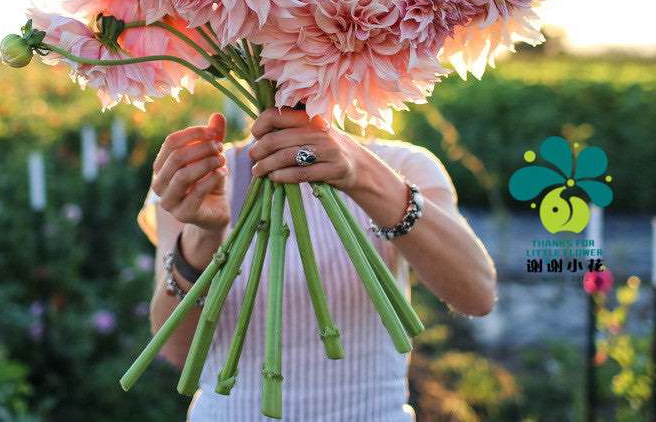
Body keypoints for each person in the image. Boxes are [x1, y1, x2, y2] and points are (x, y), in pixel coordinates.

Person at [138, 108, 497, 421]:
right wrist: (204, 235)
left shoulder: (400, 164)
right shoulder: (201, 177)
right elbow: (177, 351)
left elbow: (477, 294)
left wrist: (365, 176)